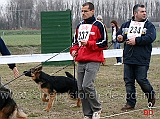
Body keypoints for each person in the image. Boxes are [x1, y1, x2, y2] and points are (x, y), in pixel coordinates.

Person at [70, 2, 107, 119]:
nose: (83, 13)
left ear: (92, 11)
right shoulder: (79, 26)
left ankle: (97, 108)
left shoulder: (99, 25)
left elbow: (104, 43)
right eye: (82, 11)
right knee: (80, 88)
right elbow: (75, 42)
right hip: (81, 59)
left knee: (87, 85)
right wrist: (73, 51)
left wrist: (89, 44)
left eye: (85, 11)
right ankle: (87, 114)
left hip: (94, 60)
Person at [117, 4, 156, 111]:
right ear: (135, 13)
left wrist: (137, 41)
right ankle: (130, 103)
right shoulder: (126, 24)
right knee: (129, 81)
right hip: (129, 57)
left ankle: (151, 95)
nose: (144, 13)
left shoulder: (149, 26)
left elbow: (151, 37)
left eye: (145, 11)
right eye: (142, 11)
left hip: (142, 57)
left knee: (141, 79)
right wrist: (120, 38)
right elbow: (120, 35)